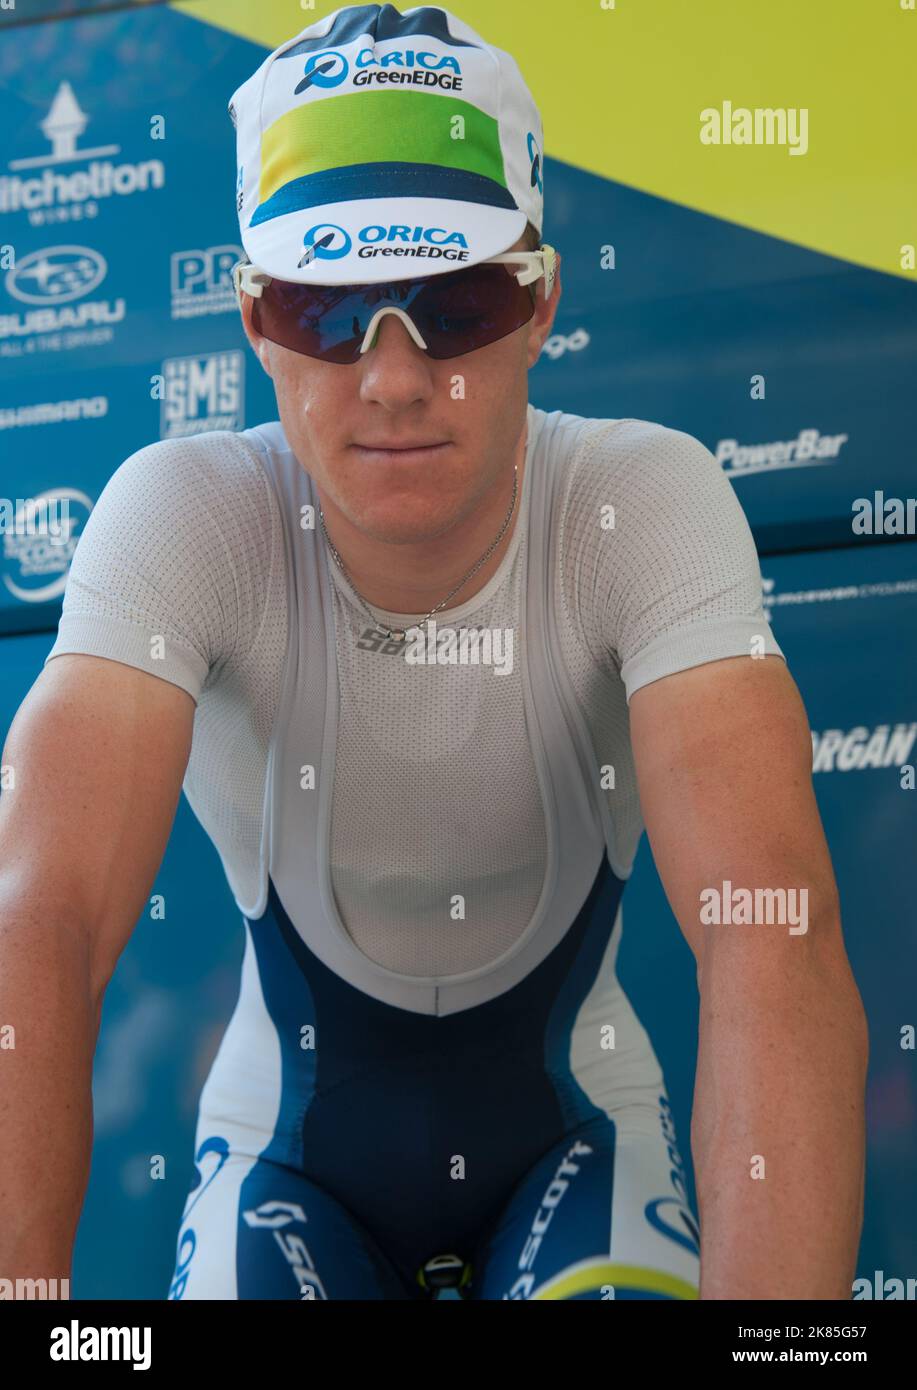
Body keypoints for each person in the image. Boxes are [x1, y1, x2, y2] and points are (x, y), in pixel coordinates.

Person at [0, 3, 867, 1301]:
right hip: (284, 1156)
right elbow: (39, 922)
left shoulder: (643, 499)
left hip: (579, 1139)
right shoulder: (188, 518)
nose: (395, 379)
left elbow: (769, 925)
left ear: (540, 304)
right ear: (255, 321)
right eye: (326, 309)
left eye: (454, 303)